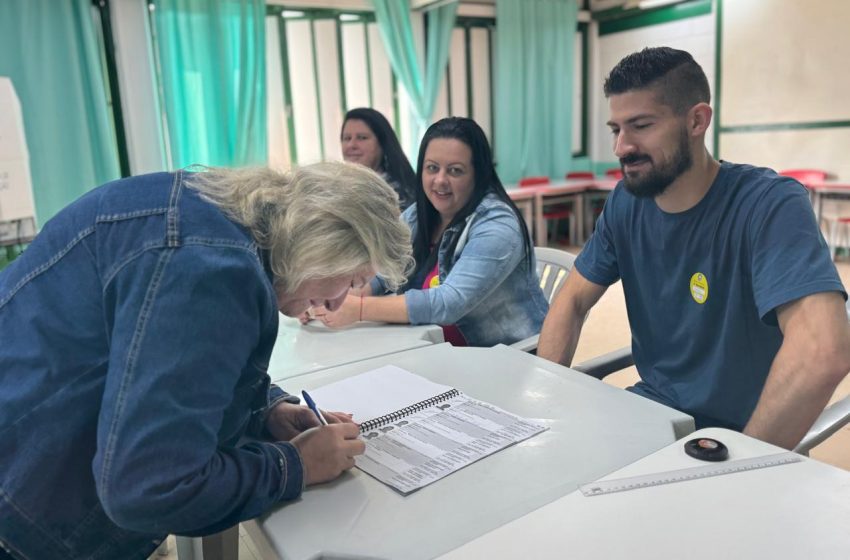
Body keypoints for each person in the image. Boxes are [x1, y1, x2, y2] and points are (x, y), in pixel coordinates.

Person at [0, 162, 412, 559]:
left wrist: (266, 410)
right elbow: (150, 487)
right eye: (353, 279)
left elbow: (157, 359)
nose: (338, 301)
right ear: (326, 244)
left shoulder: (210, 217)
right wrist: (297, 465)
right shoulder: (212, 270)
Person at [538, 46, 850, 450]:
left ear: (697, 121)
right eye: (617, 129)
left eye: (641, 125)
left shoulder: (768, 204)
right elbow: (573, 300)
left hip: (740, 436)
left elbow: (822, 350)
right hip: (652, 416)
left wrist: (742, 463)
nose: (621, 148)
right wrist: (544, 401)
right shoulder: (625, 203)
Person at [314, 117, 548, 348]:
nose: (440, 180)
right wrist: (337, 297)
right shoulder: (419, 215)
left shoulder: (498, 225)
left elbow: (449, 303)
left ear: (478, 173)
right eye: (432, 168)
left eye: (455, 171)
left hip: (504, 358)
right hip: (434, 346)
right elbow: (386, 271)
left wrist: (360, 308)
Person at [341, 107, 416, 210]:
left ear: (382, 143)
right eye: (347, 138)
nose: (351, 145)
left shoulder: (398, 196)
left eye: (362, 137)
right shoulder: (335, 189)